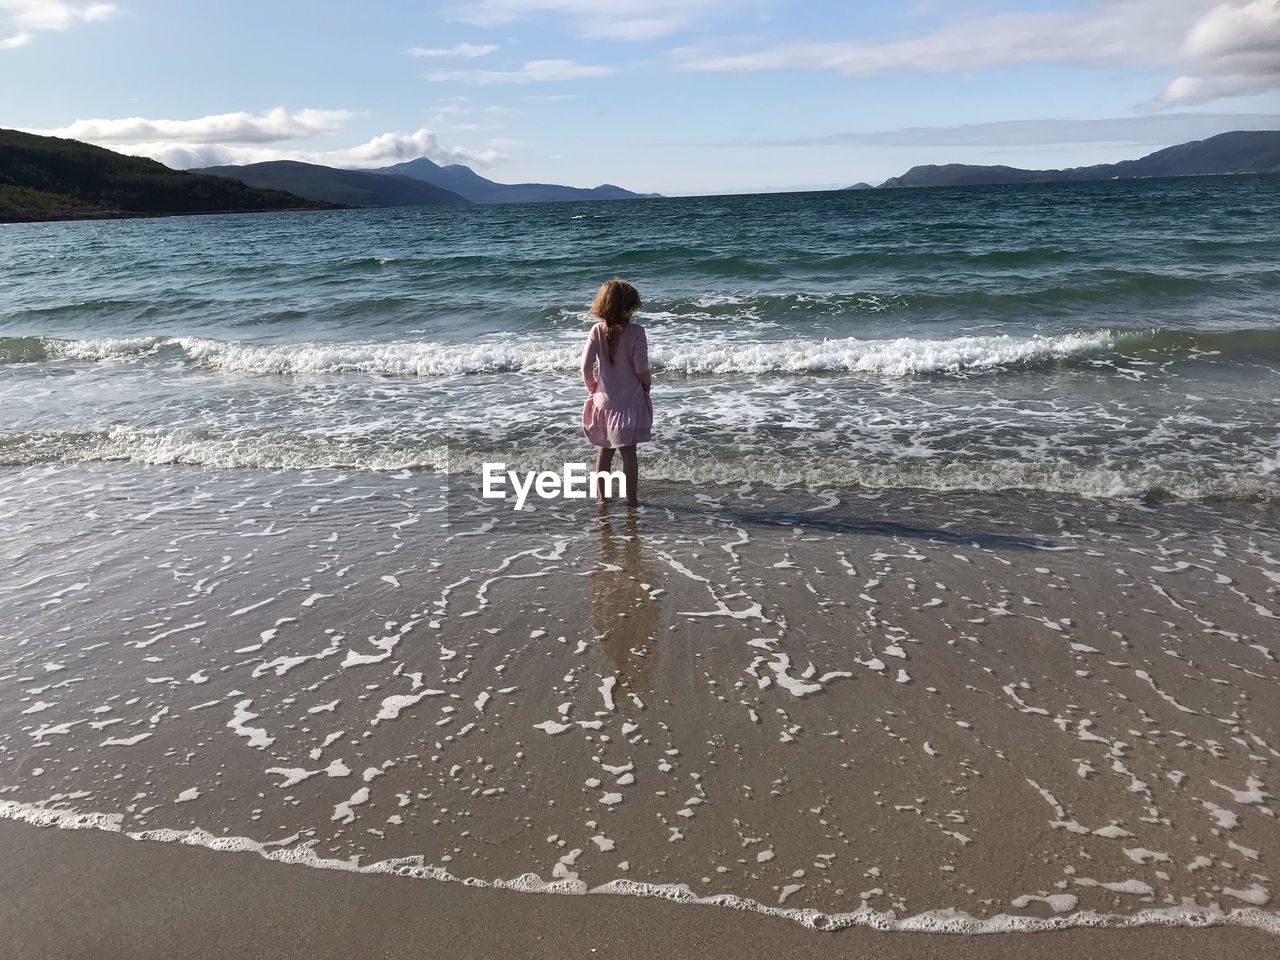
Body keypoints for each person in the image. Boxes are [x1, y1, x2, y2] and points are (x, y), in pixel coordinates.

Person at [580, 278, 651, 505]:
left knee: (605, 451)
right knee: (629, 452)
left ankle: (602, 498)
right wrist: (646, 385)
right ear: (630, 307)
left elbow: (585, 366)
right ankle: (632, 499)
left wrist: (593, 387)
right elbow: (641, 369)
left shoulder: (596, 331)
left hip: (604, 402)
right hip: (630, 402)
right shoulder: (637, 332)